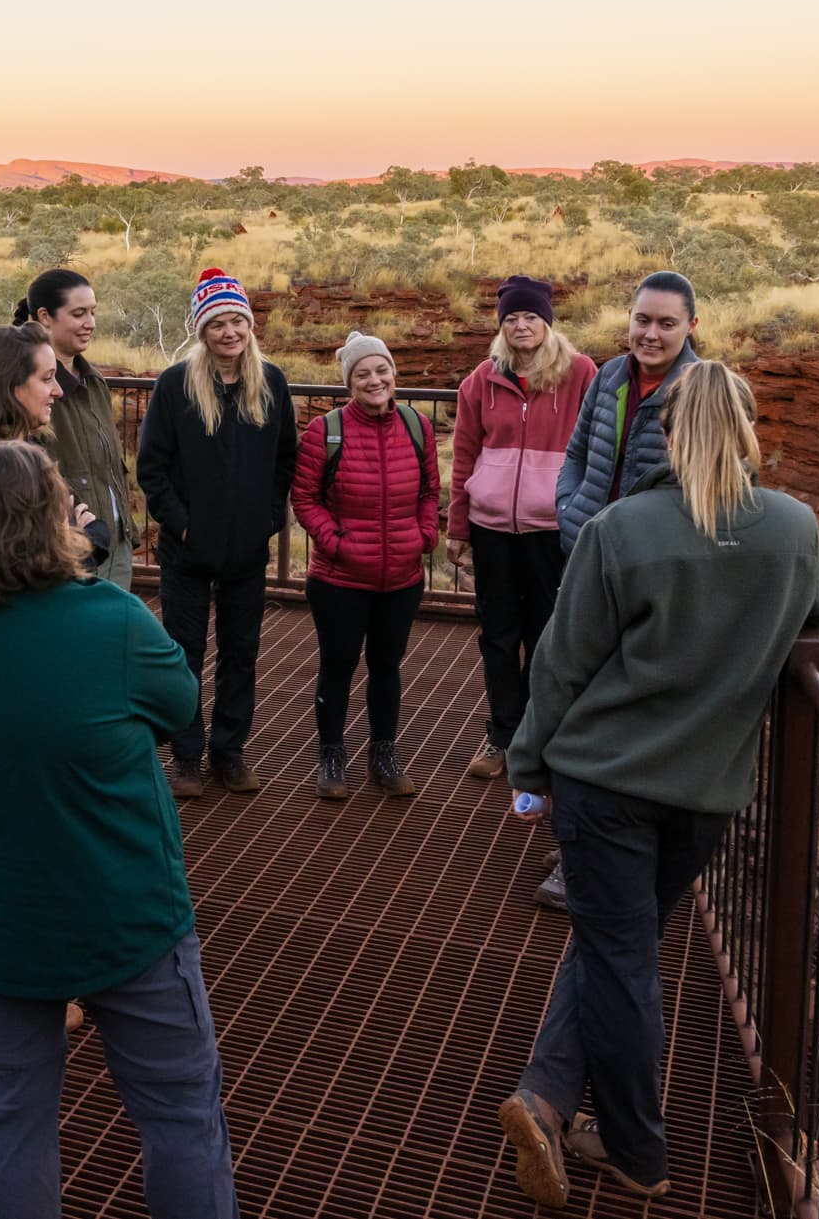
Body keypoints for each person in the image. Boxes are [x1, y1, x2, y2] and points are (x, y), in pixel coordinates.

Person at [497, 362, 819, 1211]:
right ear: (751, 430)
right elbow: (817, 616)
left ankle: (636, 1146)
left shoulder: (623, 528)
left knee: (620, 953)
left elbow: (560, 665)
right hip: (706, 791)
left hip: (603, 780)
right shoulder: (794, 529)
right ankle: (543, 1096)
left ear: (668, 432)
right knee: (619, 941)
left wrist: (528, 765)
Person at [0, 440, 241, 1219]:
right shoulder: (113, 621)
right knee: (181, 1115)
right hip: (124, 908)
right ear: (49, 518)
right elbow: (178, 704)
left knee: (14, 1114)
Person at [534, 270, 701, 913]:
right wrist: (570, 508)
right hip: (584, 562)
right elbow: (577, 452)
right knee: (576, 705)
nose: (650, 333)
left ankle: (603, 859)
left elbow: (719, 480)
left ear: (691, 326)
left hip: (650, 581)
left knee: (625, 718)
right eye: (642, 320)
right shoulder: (608, 377)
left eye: (665, 322)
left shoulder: (700, 390)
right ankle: (574, 852)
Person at [136, 268, 298, 802]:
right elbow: (151, 470)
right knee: (183, 653)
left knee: (240, 651)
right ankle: (185, 756)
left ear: (250, 326)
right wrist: (181, 524)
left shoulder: (270, 383)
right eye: (217, 324)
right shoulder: (176, 385)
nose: (229, 333)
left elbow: (284, 461)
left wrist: (269, 517)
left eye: (238, 322)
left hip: (247, 551)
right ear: (202, 331)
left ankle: (229, 751)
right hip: (186, 552)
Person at [446, 276, 596, 784]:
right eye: (511, 318)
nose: (520, 326)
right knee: (498, 636)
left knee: (547, 637)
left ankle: (542, 735)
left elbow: (596, 453)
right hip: (492, 529)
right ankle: (503, 735)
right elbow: (464, 454)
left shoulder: (580, 375)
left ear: (547, 322)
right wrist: (457, 526)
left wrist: (583, 516)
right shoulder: (481, 380)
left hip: (553, 528)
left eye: (530, 316)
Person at [289, 330, 442, 799]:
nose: (375, 380)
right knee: (338, 664)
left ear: (394, 374)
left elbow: (430, 493)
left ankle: (383, 754)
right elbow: (304, 498)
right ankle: (331, 755)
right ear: (349, 382)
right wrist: (336, 543)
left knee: (386, 666)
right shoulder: (326, 431)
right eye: (362, 373)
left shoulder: (418, 427)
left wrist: (424, 536)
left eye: (381, 370)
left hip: (401, 575)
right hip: (340, 577)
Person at [0, 322, 112, 570]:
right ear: (11, 388)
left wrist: (80, 534)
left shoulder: (30, 449)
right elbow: (43, 567)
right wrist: (90, 538)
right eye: (47, 379)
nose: (57, 391)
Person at [18, 268, 138, 590]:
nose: (90, 323)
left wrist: (125, 532)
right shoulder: (28, 391)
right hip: (69, 545)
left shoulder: (94, 380)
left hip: (114, 540)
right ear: (45, 316)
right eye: (79, 313)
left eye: (93, 312)